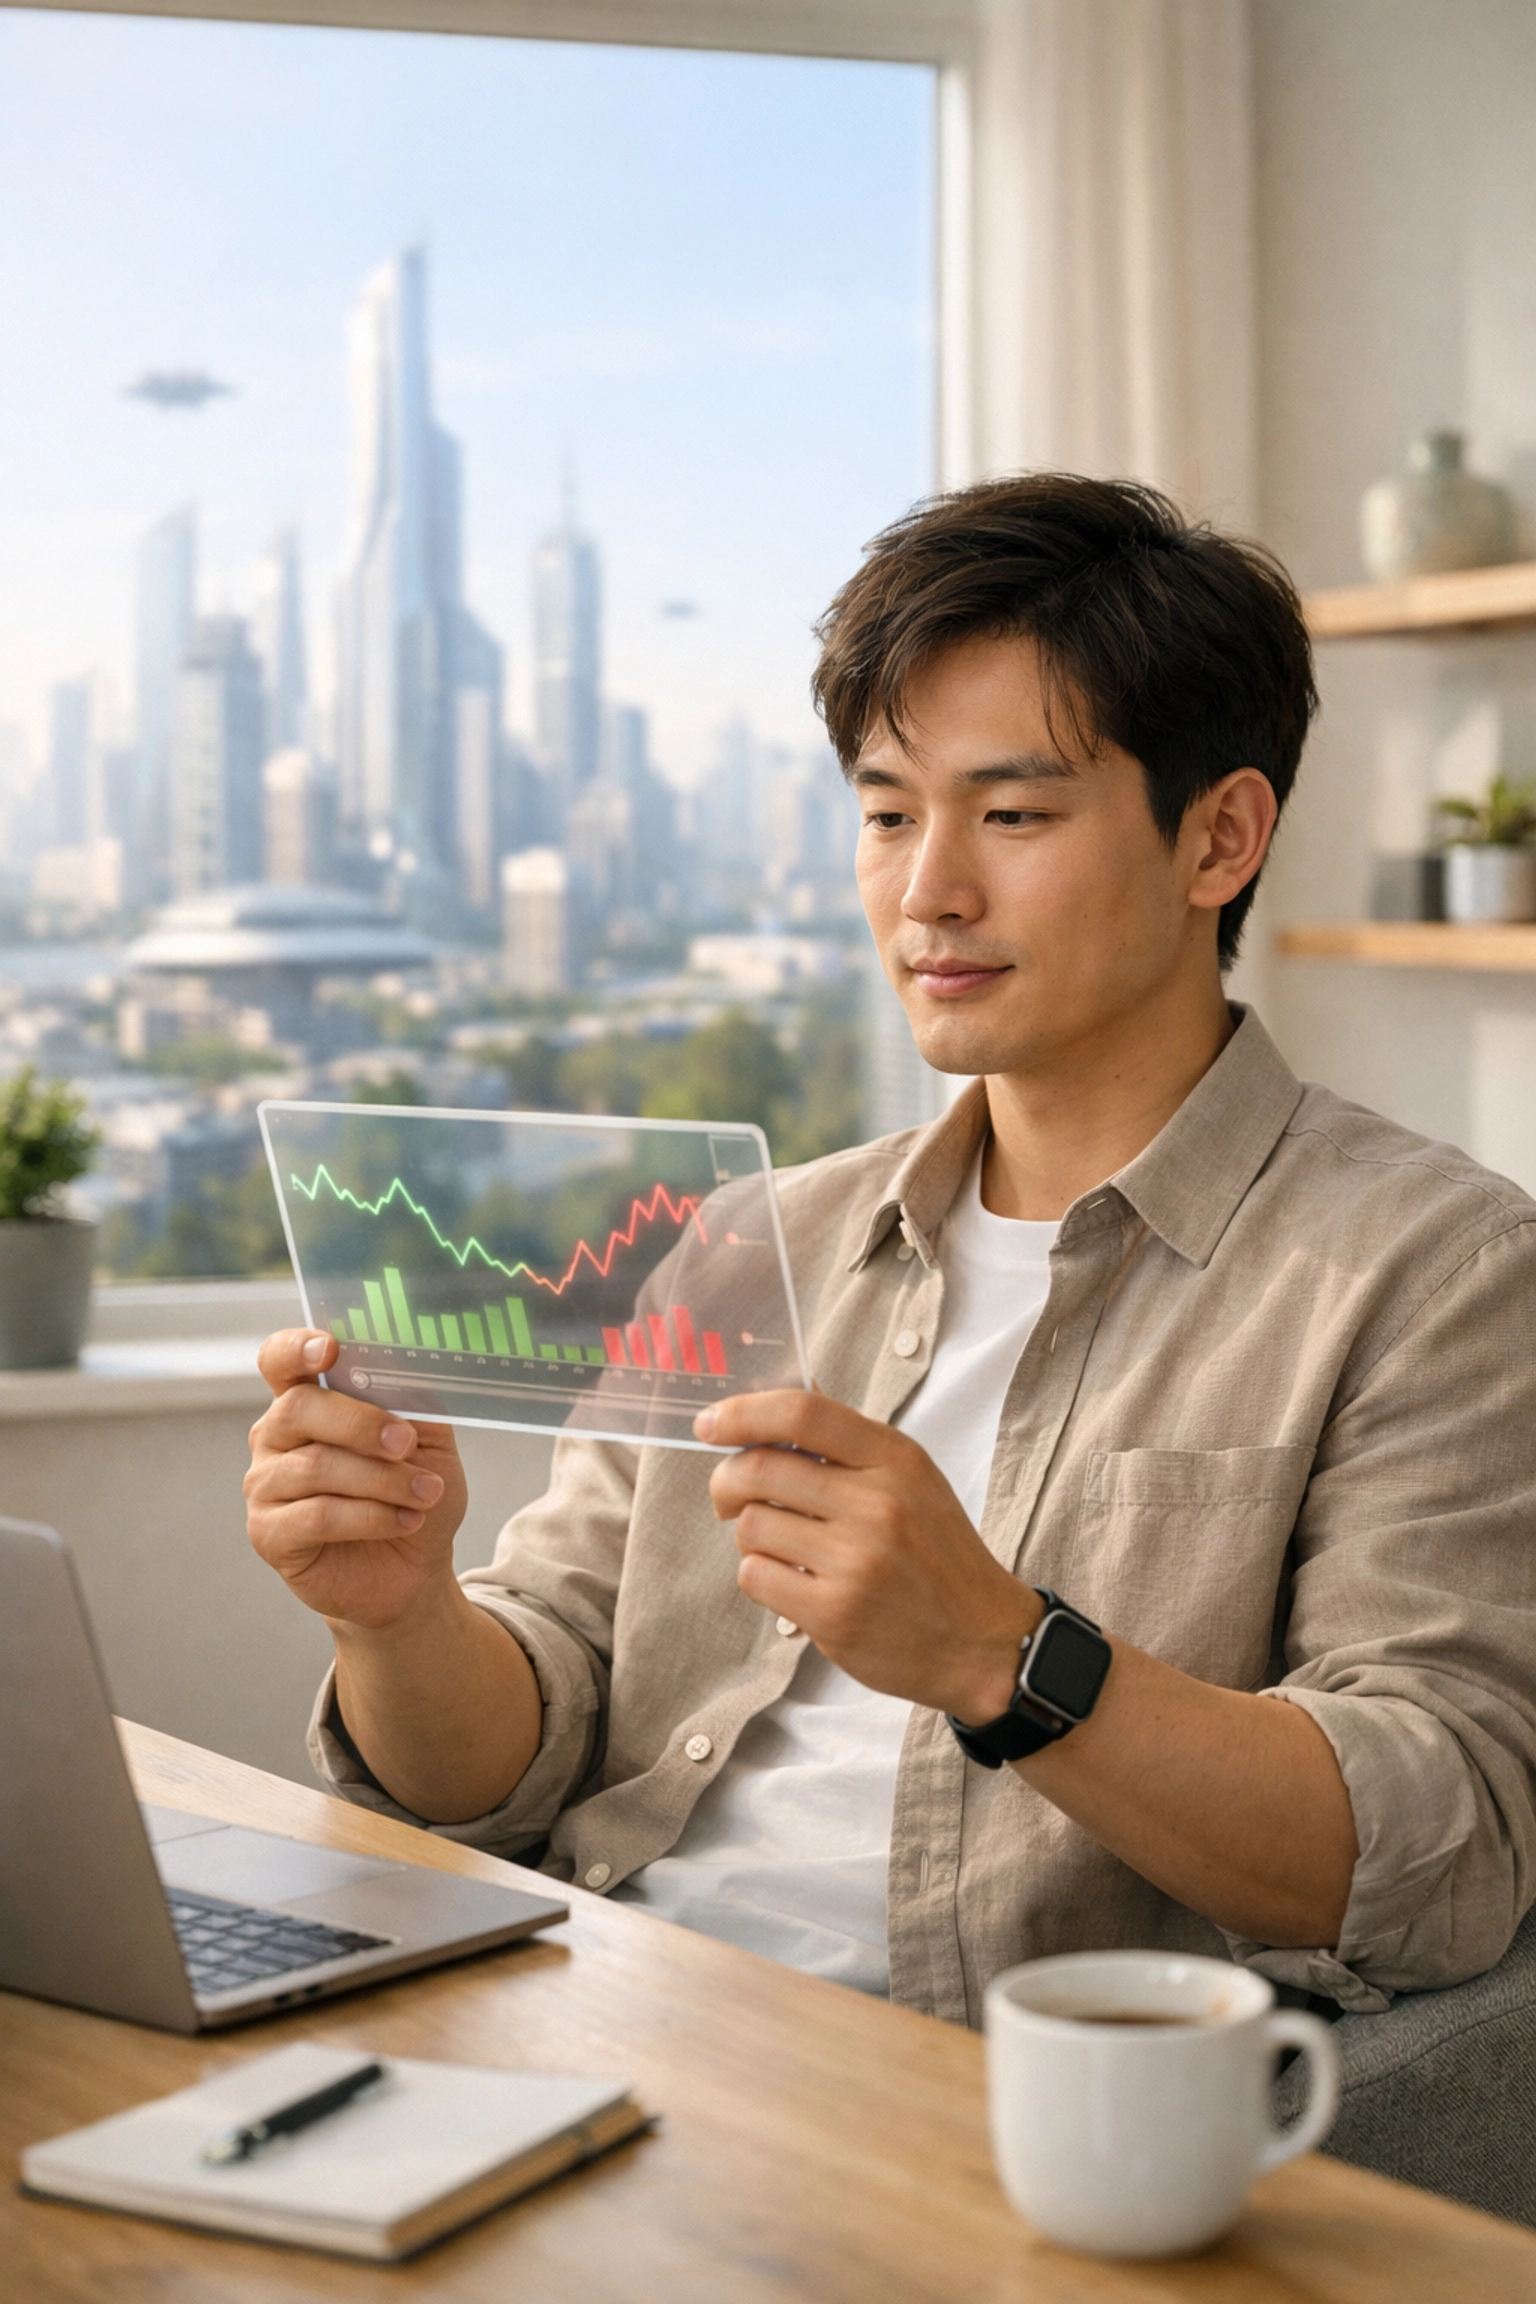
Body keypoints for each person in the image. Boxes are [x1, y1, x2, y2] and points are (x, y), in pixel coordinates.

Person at [246, 475, 1536, 2025]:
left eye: (1013, 814)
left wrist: (1005, 1655)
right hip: (604, 1997)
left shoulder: (1436, 1273)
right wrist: (397, 1615)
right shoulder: (753, 1239)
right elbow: (527, 1732)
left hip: (959, 2087)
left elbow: (1447, 1844)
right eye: (885, 814)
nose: (928, 892)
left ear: (1220, 839)